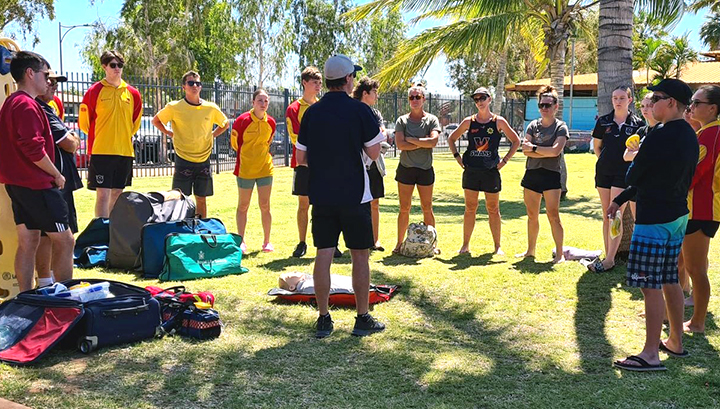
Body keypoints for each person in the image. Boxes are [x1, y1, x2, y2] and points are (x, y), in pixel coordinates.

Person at [295, 54, 385, 338]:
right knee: (360, 255)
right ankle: (362, 317)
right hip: (355, 195)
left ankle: (323, 319)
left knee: (323, 254)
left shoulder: (312, 112)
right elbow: (373, 151)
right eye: (353, 76)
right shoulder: (360, 111)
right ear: (347, 80)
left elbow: (300, 157)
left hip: (321, 194)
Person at [611, 78, 698, 372]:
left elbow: (634, 175)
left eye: (656, 97)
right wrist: (621, 199)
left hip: (654, 219)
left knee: (649, 286)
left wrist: (634, 163)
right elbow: (653, 177)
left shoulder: (659, 135)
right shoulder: (688, 134)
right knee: (669, 279)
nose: (651, 103)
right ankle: (675, 341)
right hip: (676, 215)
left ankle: (650, 353)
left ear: (671, 102)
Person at [0, 51, 74, 292]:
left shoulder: (12, 102)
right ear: (30, 74)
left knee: (29, 241)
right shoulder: (26, 104)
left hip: (19, 185)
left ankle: (26, 297)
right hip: (38, 186)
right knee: (65, 240)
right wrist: (56, 174)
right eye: (46, 75)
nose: (49, 81)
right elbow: (32, 147)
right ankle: (66, 300)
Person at [448, 87, 520, 255]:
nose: (479, 102)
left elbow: (516, 141)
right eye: (476, 99)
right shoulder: (468, 122)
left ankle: (497, 247)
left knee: (493, 208)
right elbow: (452, 139)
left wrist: (504, 161)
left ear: (489, 99)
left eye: (483, 98)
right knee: (470, 208)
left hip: (490, 171)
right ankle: (465, 246)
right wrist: (457, 157)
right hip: (472, 170)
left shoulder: (498, 121)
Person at [152, 70, 229, 218]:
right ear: (183, 87)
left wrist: (212, 135)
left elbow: (224, 124)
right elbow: (156, 120)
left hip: (203, 159)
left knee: (201, 198)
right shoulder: (174, 107)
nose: (195, 86)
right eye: (191, 83)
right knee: (180, 199)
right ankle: (182, 229)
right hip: (183, 158)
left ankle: (201, 229)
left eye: (198, 83)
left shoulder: (210, 108)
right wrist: (169, 133)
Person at [34, 70, 83, 288]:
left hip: (55, 181)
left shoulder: (47, 108)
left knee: (45, 236)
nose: (53, 86)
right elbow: (70, 143)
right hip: (53, 183)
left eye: (55, 82)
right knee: (65, 238)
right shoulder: (41, 109)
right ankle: (65, 290)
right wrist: (73, 138)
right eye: (49, 81)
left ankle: (47, 282)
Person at [79, 50, 142, 218]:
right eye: (113, 65)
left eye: (120, 65)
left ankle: (112, 231)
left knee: (117, 194)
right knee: (103, 194)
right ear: (104, 67)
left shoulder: (133, 93)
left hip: (124, 151)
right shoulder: (94, 91)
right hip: (102, 151)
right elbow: (85, 123)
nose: (117, 69)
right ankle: (101, 232)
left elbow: (135, 123)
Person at [678, 85, 720, 333]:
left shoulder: (708, 136)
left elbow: (692, 175)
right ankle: (668, 311)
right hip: (697, 208)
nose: (691, 107)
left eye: (696, 102)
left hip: (701, 208)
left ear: (712, 108)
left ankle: (698, 322)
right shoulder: (706, 133)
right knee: (680, 263)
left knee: (695, 269)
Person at [286, 66, 340, 258]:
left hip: (325, 165)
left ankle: (331, 243)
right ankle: (302, 243)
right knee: (304, 204)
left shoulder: (324, 105)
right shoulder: (294, 108)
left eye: (319, 82)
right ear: (304, 83)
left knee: (328, 203)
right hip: (303, 165)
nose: (318, 85)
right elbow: (296, 137)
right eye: (314, 82)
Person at [589, 85, 644, 272]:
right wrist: (605, 162)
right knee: (607, 215)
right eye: (615, 98)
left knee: (616, 214)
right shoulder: (603, 122)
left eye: (622, 98)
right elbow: (597, 147)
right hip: (604, 172)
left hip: (625, 174)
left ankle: (610, 260)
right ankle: (608, 255)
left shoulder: (638, 124)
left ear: (630, 100)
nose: (617, 101)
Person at [517, 85, 567, 264]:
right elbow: (525, 150)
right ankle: (530, 251)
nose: (544, 108)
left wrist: (536, 148)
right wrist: (538, 150)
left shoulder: (560, 127)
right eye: (541, 105)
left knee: (553, 215)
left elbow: (555, 152)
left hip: (551, 175)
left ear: (556, 106)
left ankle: (560, 254)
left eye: (548, 105)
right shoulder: (533, 125)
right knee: (532, 215)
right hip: (532, 173)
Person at [393, 84, 441, 254]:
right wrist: (422, 142)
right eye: (411, 97)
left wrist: (411, 139)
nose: (414, 100)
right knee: (404, 208)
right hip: (406, 169)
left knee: (427, 208)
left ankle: (432, 244)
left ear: (423, 99)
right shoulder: (402, 120)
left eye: (417, 97)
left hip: (425, 169)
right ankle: (399, 244)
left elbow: (433, 142)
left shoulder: (431, 120)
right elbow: (400, 144)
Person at [231, 89, 276, 254]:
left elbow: (268, 142)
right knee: (243, 206)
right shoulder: (241, 121)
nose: (263, 104)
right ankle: (241, 241)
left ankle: (267, 242)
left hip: (265, 169)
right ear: (253, 102)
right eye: (260, 100)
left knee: (265, 205)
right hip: (245, 170)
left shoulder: (271, 122)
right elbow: (235, 144)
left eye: (266, 101)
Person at [352, 77, 391, 251]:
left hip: (374, 164)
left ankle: (375, 240)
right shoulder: (352, 111)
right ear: (365, 93)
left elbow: (382, 132)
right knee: (353, 204)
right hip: (355, 164)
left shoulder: (375, 114)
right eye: (374, 92)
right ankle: (357, 240)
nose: (377, 95)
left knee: (375, 203)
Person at [623, 92, 659, 163]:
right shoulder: (641, 131)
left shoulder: (664, 129)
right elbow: (626, 156)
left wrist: (638, 152)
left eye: (648, 106)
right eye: (642, 106)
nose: (645, 109)